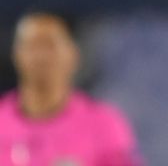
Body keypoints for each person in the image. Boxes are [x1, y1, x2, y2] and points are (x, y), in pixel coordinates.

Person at [0, 11, 141, 166]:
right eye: (32, 45)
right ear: (16, 54)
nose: (41, 56)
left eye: (50, 45)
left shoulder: (103, 124)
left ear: (72, 54)